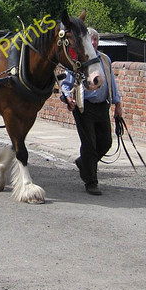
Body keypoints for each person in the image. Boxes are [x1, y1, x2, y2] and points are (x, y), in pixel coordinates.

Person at [61, 28, 122, 196]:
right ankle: (91, 182)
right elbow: (66, 84)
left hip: (102, 105)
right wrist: (67, 97)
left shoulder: (105, 59)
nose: (93, 43)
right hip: (84, 107)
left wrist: (118, 104)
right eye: (90, 40)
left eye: (95, 40)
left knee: (106, 142)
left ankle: (84, 163)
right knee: (89, 145)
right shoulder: (77, 61)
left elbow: (112, 82)